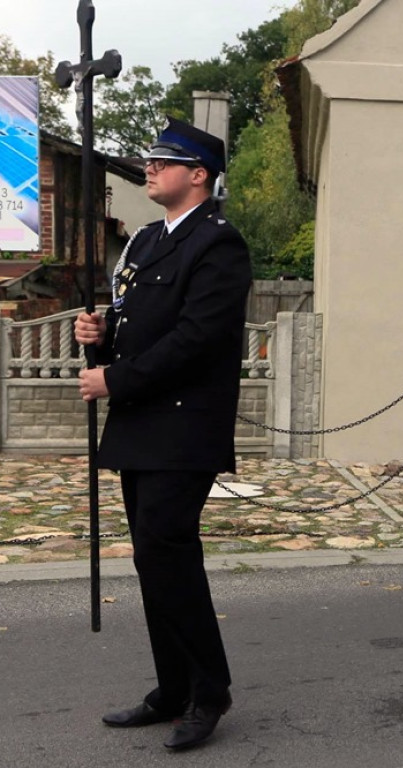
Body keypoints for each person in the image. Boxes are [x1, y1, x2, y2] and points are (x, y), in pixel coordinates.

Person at [74, 117, 252, 751]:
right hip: (141, 426)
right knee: (153, 561)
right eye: (148, 161)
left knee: (166, 551)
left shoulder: (218, 244)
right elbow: (134, 322)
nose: (149, 169)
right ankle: (172, 688)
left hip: (184, 426)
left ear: (197, 174)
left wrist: (116, 380)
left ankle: (210, 690)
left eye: (162, 161)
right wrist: (103, 336)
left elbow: (197, 339)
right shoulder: (147, 240)